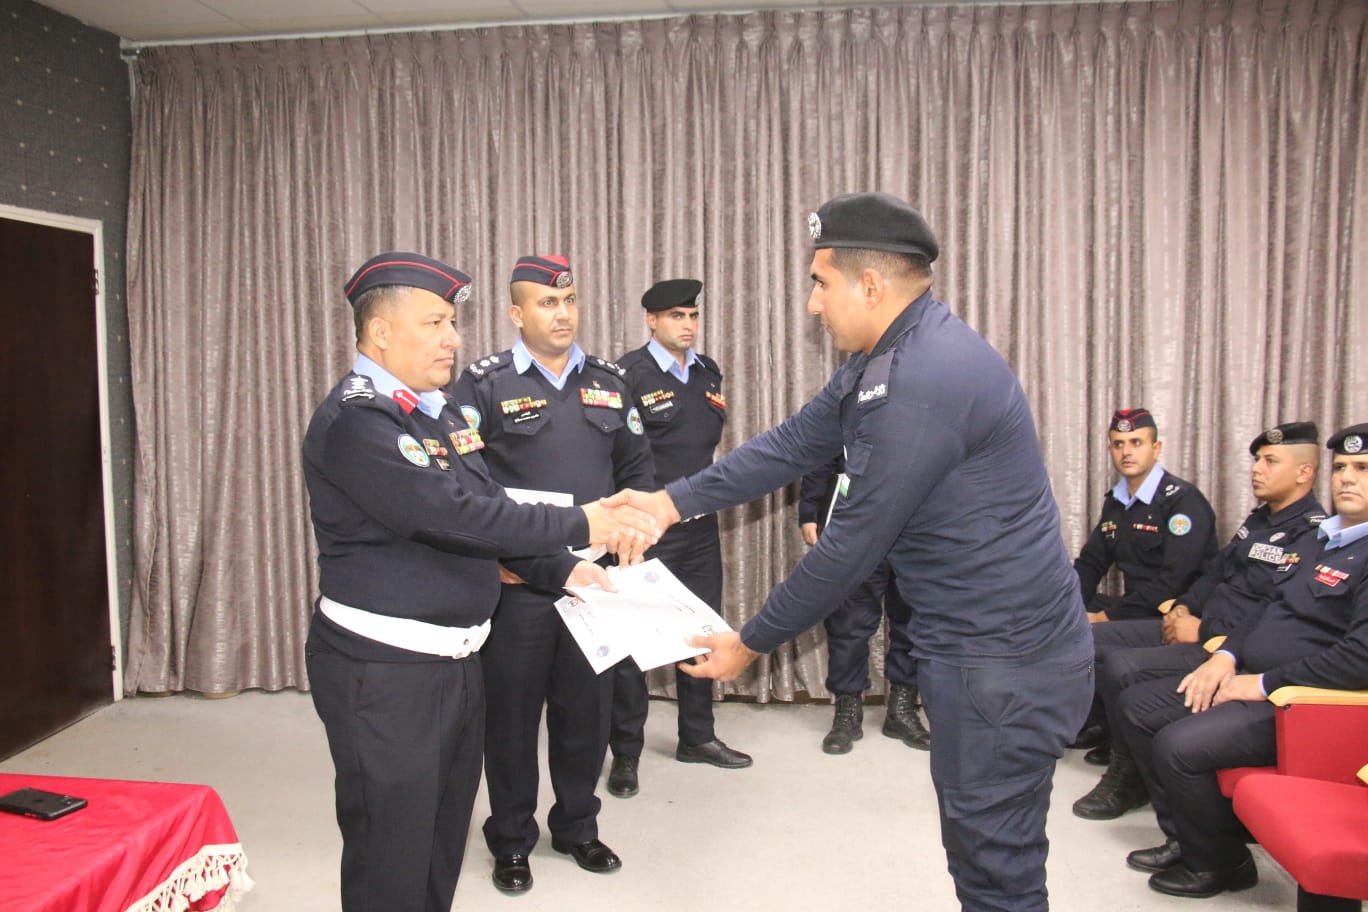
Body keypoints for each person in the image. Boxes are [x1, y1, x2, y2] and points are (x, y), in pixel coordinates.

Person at [606, 192, 1094, 912]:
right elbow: (795, 443)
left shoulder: (923, 380)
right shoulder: (887, 355)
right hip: (979, 647)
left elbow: (848, 549)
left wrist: (748, 644)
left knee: (996, 869)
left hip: (1002, 661)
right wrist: (670, 502)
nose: (812, 304)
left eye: (819, 283)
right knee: (986, 854)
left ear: (869, 285)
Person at [302, 252, 658, 912]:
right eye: (435, 323)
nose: (454, 338)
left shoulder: (435, 413)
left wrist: (567, 569)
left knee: (440, 841)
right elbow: (453, 515)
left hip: (455, 661)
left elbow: (492, 507)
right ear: (381, 332)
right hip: (386, 670)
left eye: (452, 322)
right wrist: (583, 521)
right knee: (392, 850)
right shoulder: (360, 420)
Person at [451, 254, 655, 895]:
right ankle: (511, 839)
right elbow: (467, 489)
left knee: (585, 715)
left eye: (568, 301)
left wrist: (634, 531)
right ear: (516, 313)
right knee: (511, 722)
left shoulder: (609, 381)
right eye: (546, 303)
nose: (562, 313)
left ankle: (576, 827)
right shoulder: (482, 385)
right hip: (520, 586)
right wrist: (508, 558)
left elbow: (638, 469)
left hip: (594, 584)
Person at [1112, 423, 1368, 899]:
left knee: (1177, 744)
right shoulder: (1321, 540)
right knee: (1137, 706)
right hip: (1249, 674)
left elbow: (1359, 659)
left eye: (1362, 469)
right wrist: (1227, 655)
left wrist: (1265, 683)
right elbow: (1266, 606)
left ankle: (1220, 862)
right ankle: (1188, 839)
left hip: (1303, 704)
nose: (1347, 478)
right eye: (1341, 468)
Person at [1072, 422, 1324, 820]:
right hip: (1198, 624)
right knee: (1090, 640)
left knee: (1122, 667)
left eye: (1270, 461)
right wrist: (1183, 609)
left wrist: (1202, 630)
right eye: (1257, 460)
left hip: (1225, 645)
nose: (1256, 469)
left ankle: (1129, 775)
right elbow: (1214, 574)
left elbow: (1271, 609)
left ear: (1304, 472)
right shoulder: (1259, 521)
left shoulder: (1312, 535)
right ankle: (1119, 746)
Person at [606, 278, 752, 799]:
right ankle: (626, 752)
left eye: (692, 316)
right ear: (651, 320)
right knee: (632, 645)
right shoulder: (627, 375)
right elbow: (615, 455)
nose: (687, 325)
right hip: (646, 528)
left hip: (699, 527)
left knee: (701, 630)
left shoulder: (707, 372)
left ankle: (697, 736)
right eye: (675, 316)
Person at [798, 458, 929, 754]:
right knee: (848, 622)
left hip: (919, 524)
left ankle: (902, 710)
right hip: (856, 523)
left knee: (913, 620)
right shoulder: (851, 422)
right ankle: (848, 710)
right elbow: (824, 453)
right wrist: (809, 510)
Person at [1073, 408, 1219, 624]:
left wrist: (1103, 617)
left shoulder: (1183, 501)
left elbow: (1174, 581)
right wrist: (1069, 607)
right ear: (1110, 449)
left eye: (1136, 443)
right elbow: (1090, 563)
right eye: (1118, 444)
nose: (1126, 452)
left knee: (1086, 634)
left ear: (1156, 448)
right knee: (1049, 615)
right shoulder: (1116, 502)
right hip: (1134, 609)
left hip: (1172, 615)